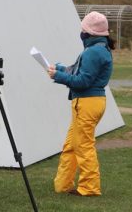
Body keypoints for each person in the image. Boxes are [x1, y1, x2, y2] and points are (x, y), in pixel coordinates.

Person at [48, 11, 114, 197]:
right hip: (88, 103)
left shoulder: (94, 51)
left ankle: (89, 188)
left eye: (83, 29)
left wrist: (58, 76)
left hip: (87, 103)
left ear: (89, 33)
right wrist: (60, 68)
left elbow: (82, 81)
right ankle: (63, 184)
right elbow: (79, 71)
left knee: (84, 146)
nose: (81, 33)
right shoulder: (99, 49)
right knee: (72, 144)